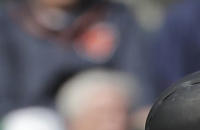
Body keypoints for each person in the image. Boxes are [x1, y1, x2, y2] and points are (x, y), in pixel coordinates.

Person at [0, 0, 153, 119]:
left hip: (107, 128)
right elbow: (5, 107)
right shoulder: (9, 22)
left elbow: (141, 99)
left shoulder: (117, 17)